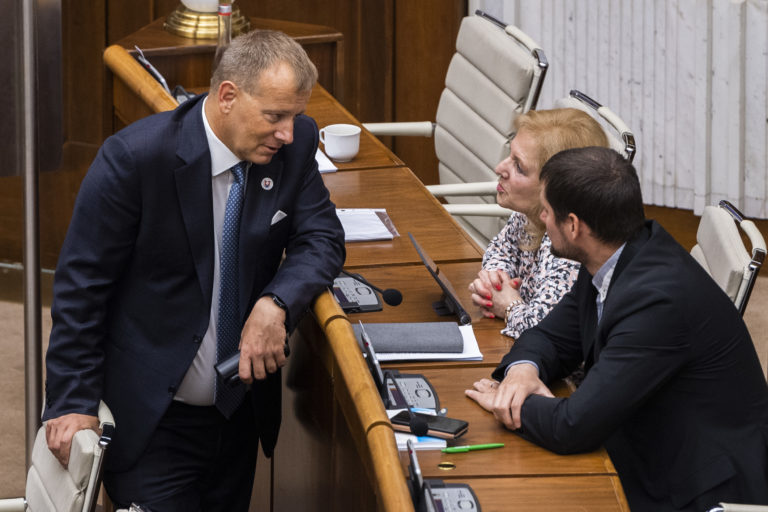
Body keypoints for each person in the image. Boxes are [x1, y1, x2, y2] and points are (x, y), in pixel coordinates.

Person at [42, 30, 346, 510]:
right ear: (227, 96)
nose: (288, 132)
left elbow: (321, 238)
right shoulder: (135, 160)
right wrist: (71, 401)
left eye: (295, 116)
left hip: (237, 416)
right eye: (275, 116)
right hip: (153, 420)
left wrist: (276, 303)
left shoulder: (293, 146)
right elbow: (81, 289)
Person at [466, 146, 768, 511]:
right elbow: (549, 335)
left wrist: (508, 403)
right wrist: (521, 371)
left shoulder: (657, 304)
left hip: (692, 490)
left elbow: (574, 427)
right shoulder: (612, 253)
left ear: (574, 226)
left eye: (546, 211)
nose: (541, 218)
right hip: (646, 441)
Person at [468, 109, 609, 339]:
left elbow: (545, 332)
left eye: (519, 167)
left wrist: (509, 306)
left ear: (555, 188)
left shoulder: (572, 248)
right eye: (509, 156)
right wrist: (494, 282)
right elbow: (499, 250)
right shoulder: (531, 213)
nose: (500, 169)